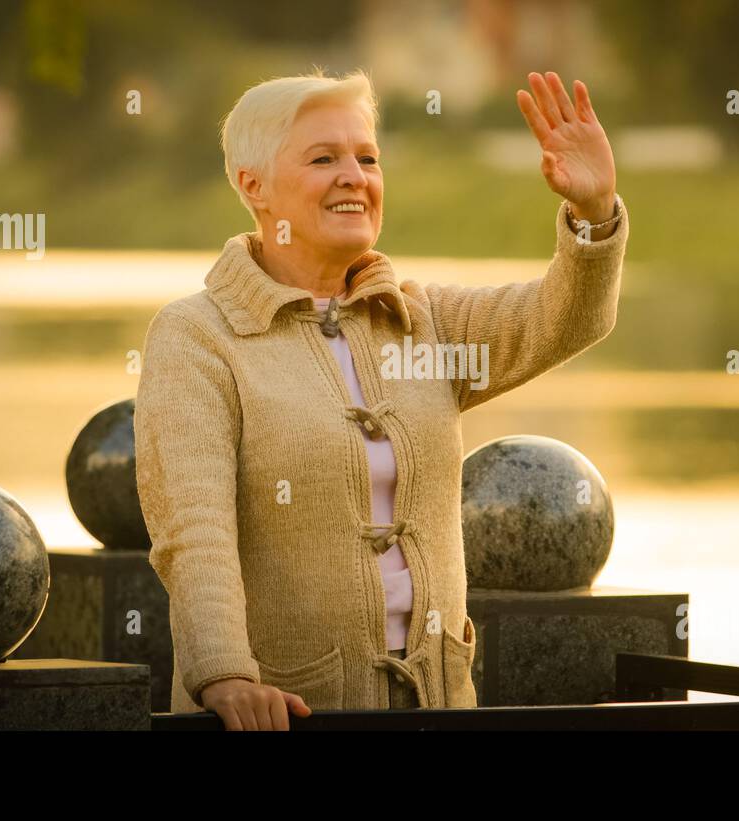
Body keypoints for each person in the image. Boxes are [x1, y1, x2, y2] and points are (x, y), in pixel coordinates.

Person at [134, 67, 628, 730]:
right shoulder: (198, 335)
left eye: (367, 157)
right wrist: (225, 674)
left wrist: (593, 214)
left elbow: (563, 318)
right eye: (323, 158)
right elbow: (195, 533)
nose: (353, 175)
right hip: (281, 718)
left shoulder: (425, 321)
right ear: (253, 185)